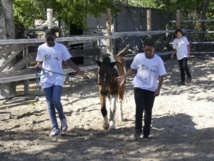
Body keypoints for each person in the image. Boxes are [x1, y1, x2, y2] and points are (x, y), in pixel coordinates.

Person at [35, 28, 89, 137]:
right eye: (47, 39)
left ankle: (62, 118)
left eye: (51, 39)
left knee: (56, 100)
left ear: (55, 37)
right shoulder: (41, 48)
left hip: (58, 77)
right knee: (49, 103)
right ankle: (55, 127)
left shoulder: (61, 48)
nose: (49, 41)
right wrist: (38, 66)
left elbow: (69, 61)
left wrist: (81, 73)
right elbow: (40, 62)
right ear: (45, 38)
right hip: (46, 78)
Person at [116, 38, 167, 140]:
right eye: (146, 50)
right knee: (139, 108)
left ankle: (146, 133)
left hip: (151, 89)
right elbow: (133, 69)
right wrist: (123, 76)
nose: (148, 52)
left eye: (150, 50)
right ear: (144, 49)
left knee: (148, 111)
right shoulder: (139, 57)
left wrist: (158, 89)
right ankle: (137, 130)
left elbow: (162, 75)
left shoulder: (158, 60)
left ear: (154, 50)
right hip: (139, 87)